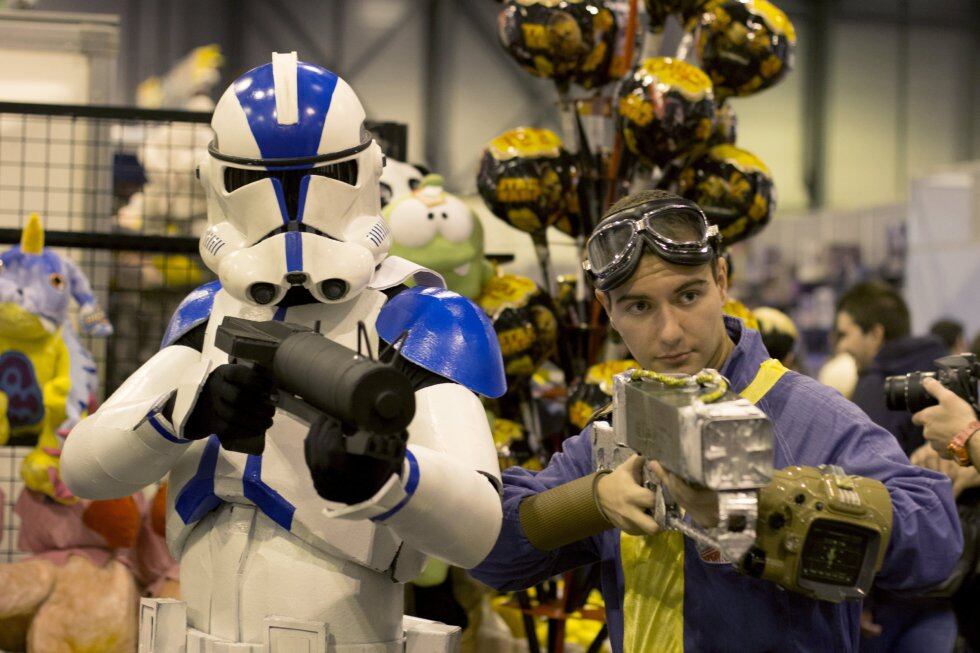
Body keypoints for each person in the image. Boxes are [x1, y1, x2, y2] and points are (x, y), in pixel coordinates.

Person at [61, 53, 506, 650]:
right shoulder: (210, 312)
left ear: (367, 172)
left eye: (321, 178)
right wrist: (181, 416)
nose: (290, 216)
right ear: (217, 182)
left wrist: (389, 477)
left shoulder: (419, 319)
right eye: (253, 180)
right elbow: (83, 469)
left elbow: (478, 528)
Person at [470, 190, 962, 652]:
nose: (669, 332)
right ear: (608, 311)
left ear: (721, 281)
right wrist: (594, 500)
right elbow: (491, 552)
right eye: (639, 306)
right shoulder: (615, 431)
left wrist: (754, 508)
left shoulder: (807, 415)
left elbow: (936, 541)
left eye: (688, 296)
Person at [835, 281, 948, 456]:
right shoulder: (944, 366)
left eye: (845, 335)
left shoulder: (875, 384)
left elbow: (863, 468)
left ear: (875, 334)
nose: (841, 346)